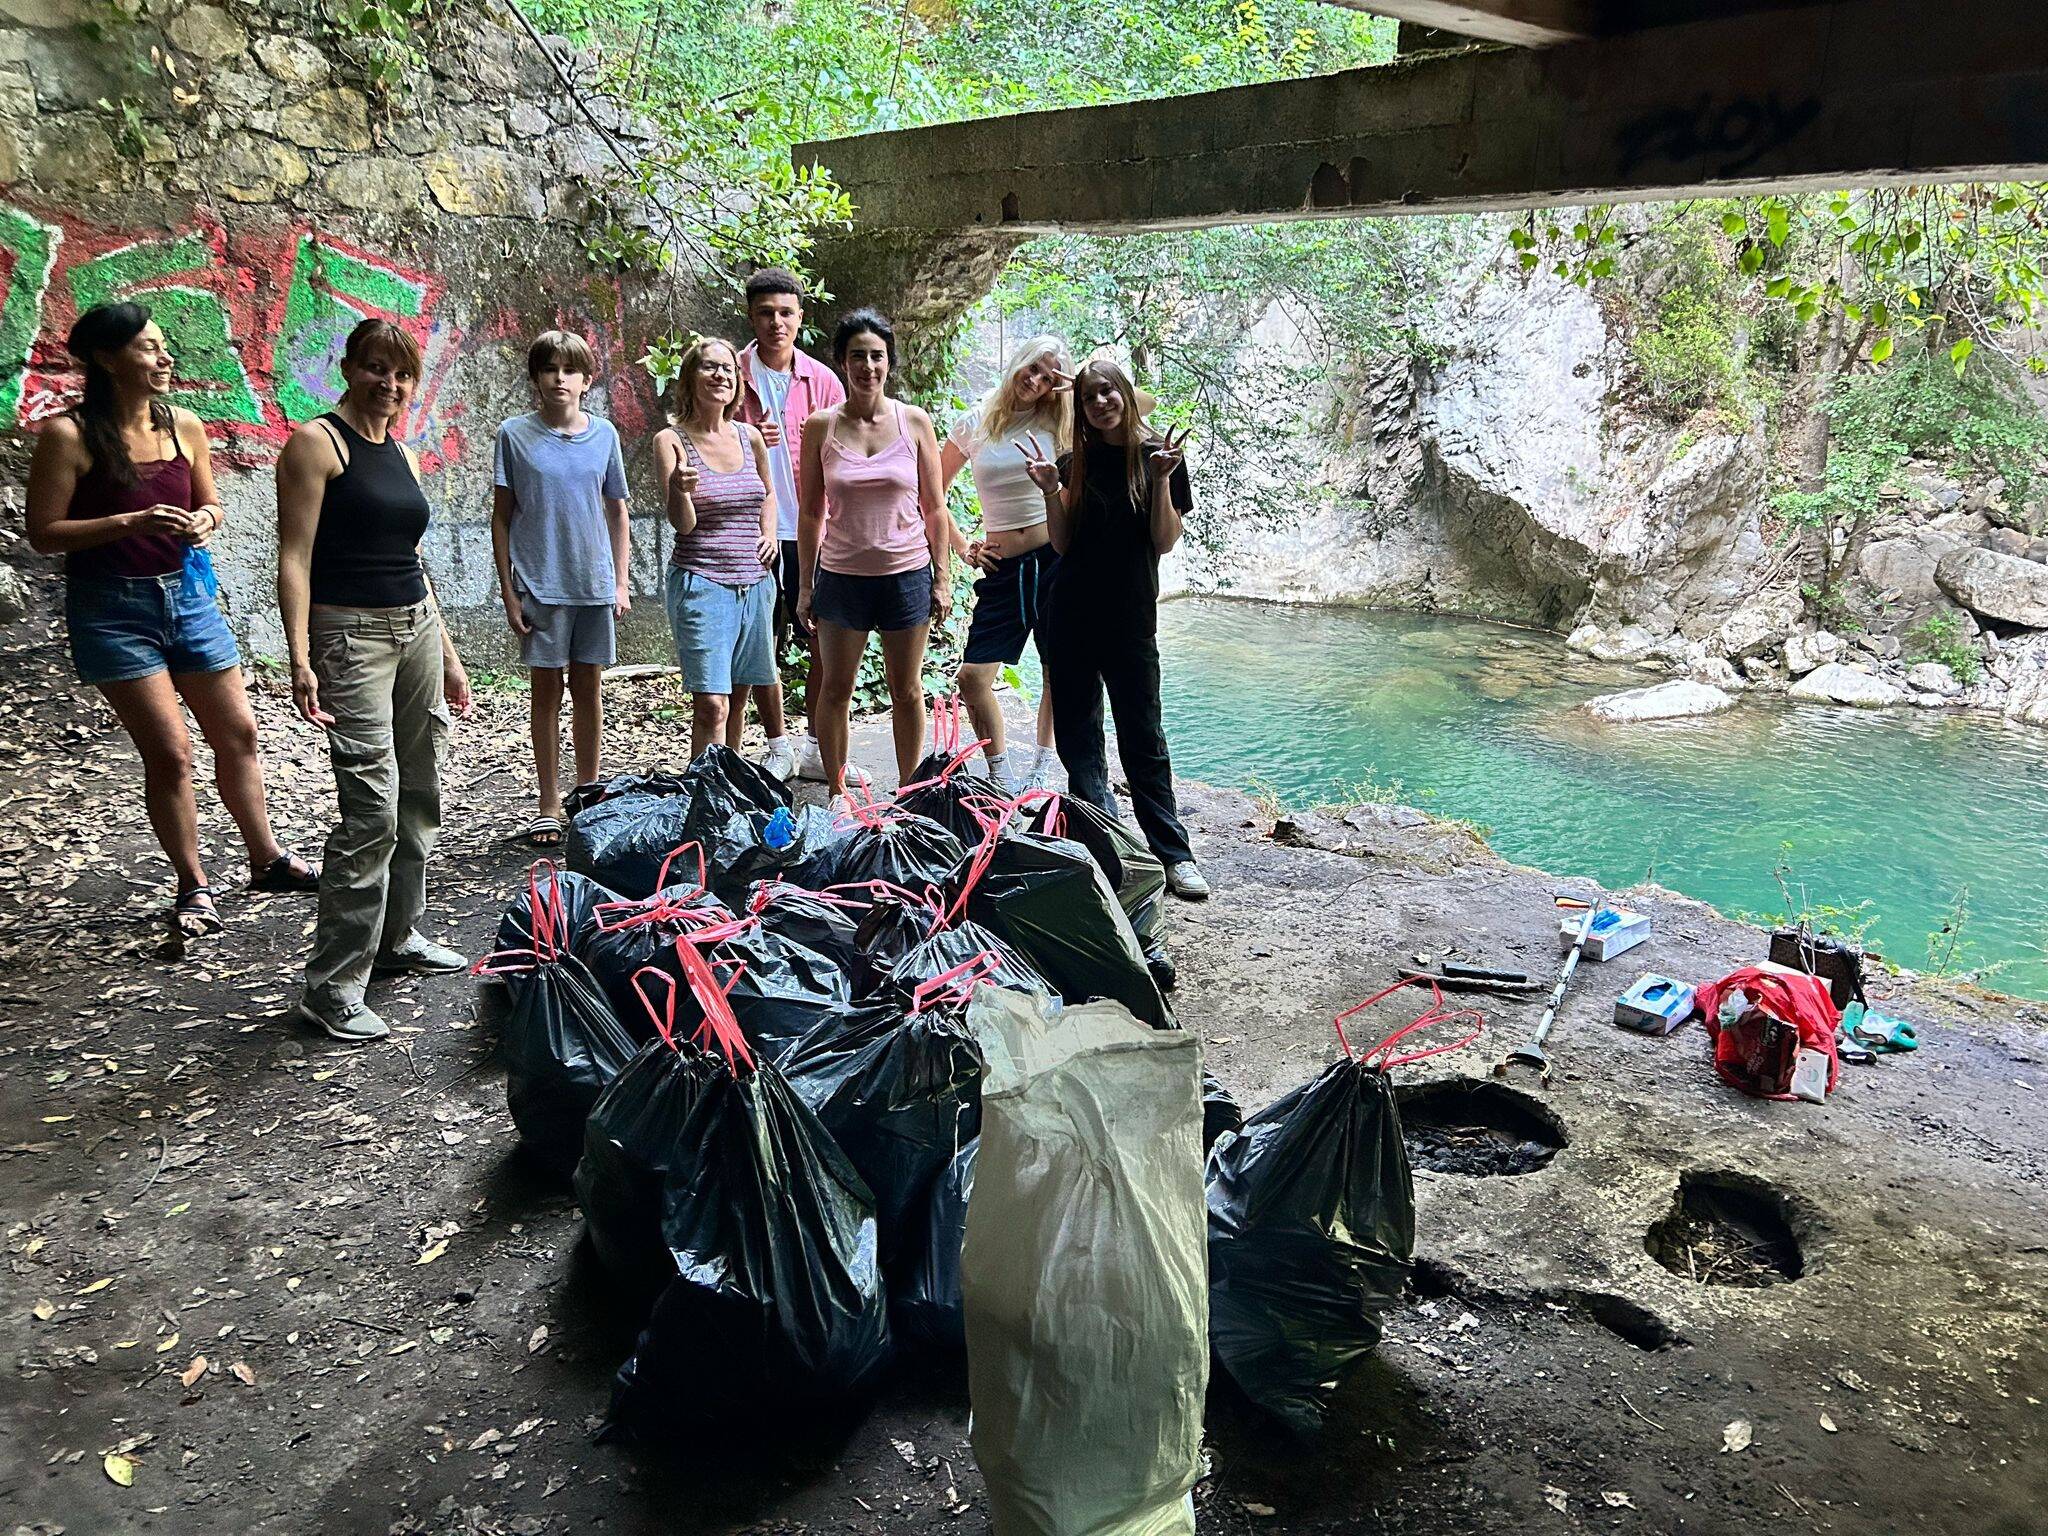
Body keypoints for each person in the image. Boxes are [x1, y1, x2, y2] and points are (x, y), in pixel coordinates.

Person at [23, 302, 320, 939]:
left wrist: (206, 520)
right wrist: (129, 522)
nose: (166, 358)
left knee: (239, 733)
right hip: (112, 610)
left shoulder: (183, 425)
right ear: (107, 359)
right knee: (170, 751)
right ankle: (193, 884)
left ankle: (266, 859)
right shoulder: (69, 436)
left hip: (189, 598)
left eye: (164, 347)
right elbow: (43, 533)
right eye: (150, 348)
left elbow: (211, 502)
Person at [276, 318, 474, 1043]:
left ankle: (397, 936)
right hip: (349, 637)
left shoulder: (402, 452)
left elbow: (414, 562)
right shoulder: (316, 444)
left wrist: (447, 654)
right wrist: (300, 656)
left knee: (420, 792)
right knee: (372, 811)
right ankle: (331, 987)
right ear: (349, 369)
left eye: (401, 373)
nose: (388, 384)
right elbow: (294, 557)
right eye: (375, 368)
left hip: (414, 627)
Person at [1025, 358, 1209, 899]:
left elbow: (1164, 541)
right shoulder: (1072, 464)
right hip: (1071, 615)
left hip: (1130, 619)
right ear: (1080, 408)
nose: (1100, 403)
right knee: (1079, 740)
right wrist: (1050, 490)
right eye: (1089, 397)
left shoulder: (1159, 457)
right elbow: (1062, 544)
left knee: (1142, 736)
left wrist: (1161, 480)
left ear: (1125, 394)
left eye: (1108, 392)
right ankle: (1106, 849)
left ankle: (1173, 855)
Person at [796, 308, 950, 799]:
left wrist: (942, 578)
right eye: (858, 356)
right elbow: (810, 513)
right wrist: (805, 587)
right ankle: (838, 795)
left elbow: (934, 508)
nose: (868, 366)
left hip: (906, 573)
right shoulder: (821, 427)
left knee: (906, 689)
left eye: (877, 356)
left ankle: (909, 792)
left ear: (889, 362)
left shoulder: (914, 422)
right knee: (835, 689)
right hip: (841, 576)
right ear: (842, 362)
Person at [490, 329, 631, 846]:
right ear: (536, 377)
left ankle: (588, 795)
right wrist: (510, 592)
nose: (559, 379)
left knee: (589, 689)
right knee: (546, 692)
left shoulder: (605, 436)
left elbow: (617, 511)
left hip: (592, 583)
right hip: (541, 584)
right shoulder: (514, 435)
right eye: (549, 369)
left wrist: (620, 581)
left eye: (570, 370)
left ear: (587, 380)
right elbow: (501, 517)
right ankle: (549, 802)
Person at [939, 335, 1072, 793]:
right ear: (1019, 361)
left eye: (1048, 378)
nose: (1035, 381)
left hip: (1054, 559)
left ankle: (1042, 765)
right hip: (1002, 568)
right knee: (973, 679)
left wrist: (1074, 387)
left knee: (1057, 669)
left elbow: (1138, 409)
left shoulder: (1058, 422)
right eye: (1032, 368)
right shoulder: (974, 422)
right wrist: (963, 547)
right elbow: (930, 492)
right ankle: (1000, 774)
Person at [733, 268, 845, 782]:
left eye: (785, 313)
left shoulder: (822, 381)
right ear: (750, 316)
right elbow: (706, 437)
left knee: (825, 639)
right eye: (765, 313)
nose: (776, 322)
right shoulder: (731, 372)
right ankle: (775, 744)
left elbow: (846, 454)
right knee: (757, 642)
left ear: (800, 317)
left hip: (815, 528)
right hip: (751, 528)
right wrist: (747, 433)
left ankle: (817, 744)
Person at [655, 337, 779, 763]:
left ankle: (725, 788)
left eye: (728, 368)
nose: (720, 375)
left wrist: (769, 534)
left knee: (738, 698)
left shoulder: (750, 437)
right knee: (712, 705)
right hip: (703, 583)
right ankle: (703, 790)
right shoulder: (670, 440)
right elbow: (683, 524)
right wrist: (679, 489)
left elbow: (768, 493)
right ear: (690, 378)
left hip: (756, 583)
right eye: (709, 366)